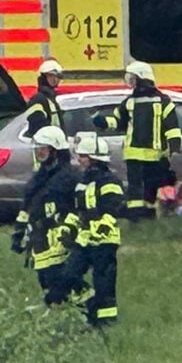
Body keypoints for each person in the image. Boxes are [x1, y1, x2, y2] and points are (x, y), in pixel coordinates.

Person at [92, 61, 181, 219]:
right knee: (135, 188)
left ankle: (148, 213)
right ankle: (136, 215)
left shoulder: (162, 101)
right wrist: (103, 122)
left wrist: (174, 146)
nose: (131, 83)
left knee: (150, 186)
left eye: (133, 79)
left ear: (142, 78)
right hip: (135, 154)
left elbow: (172, 127)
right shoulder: (130, 102)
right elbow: (118, 122)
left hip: (153, 154)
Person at [54, 133, 124, 326]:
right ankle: (88, 306)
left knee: (104, 282)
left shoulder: (110, 181)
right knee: (69, 274)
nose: (79, 160)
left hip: (104, 241)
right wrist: (67, 228)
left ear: (94, 158)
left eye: (83, 156)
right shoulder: (82, 182)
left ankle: (106, 322)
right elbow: (77, 211)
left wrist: (102, 227)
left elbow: (113, 208)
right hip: (84, 239)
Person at [10, 125, 81, 305]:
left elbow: (79, 208)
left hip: (59, 238)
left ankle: (85, 308)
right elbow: (28, 207)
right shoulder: (39, 177)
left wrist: (69, 230)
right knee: (45, 278)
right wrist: (19, 232)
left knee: (61, 278)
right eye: (37, 149)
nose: (38, 154)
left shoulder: (70, 177)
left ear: (55, 151)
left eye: (42, 149)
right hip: (39, 239)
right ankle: (58, 307)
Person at [25, 58, 64, 137]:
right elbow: (38, 126)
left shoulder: (52, 99)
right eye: (51, 76)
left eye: (57, 76)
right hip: (47, 145)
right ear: (43, 77)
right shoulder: (38, 100)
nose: (55, 79)